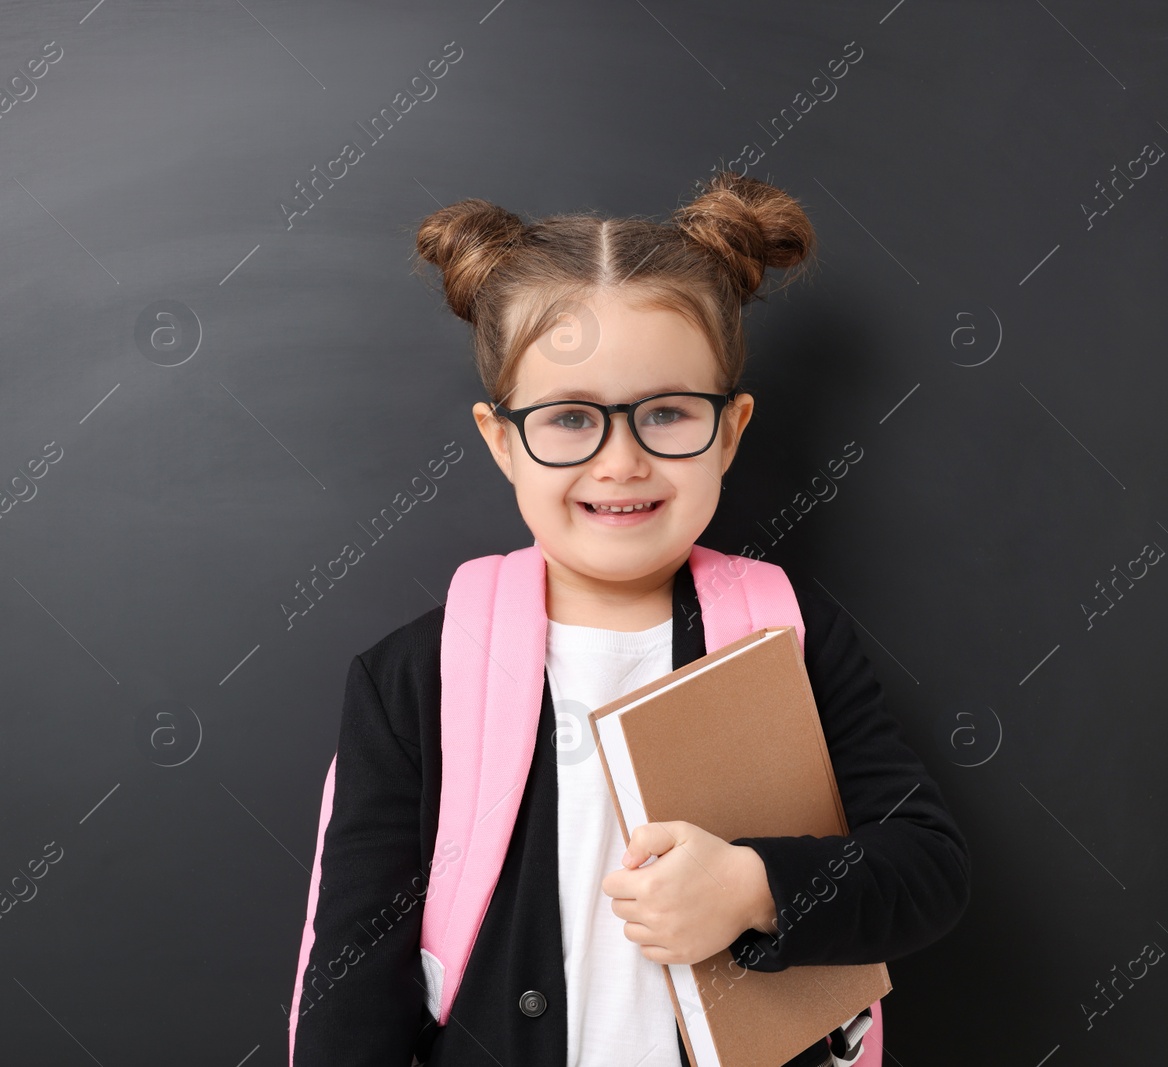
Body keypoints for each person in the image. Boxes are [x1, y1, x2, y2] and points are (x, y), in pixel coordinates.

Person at [287, 171, 971, 1067]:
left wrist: (757, 888)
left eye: (668, 414)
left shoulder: (791, 634)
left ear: (728, 431)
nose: (622, 462)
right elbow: (352, 983)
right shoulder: (415, 677)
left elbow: (926, 869)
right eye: (571, 419)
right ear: (502, 441)